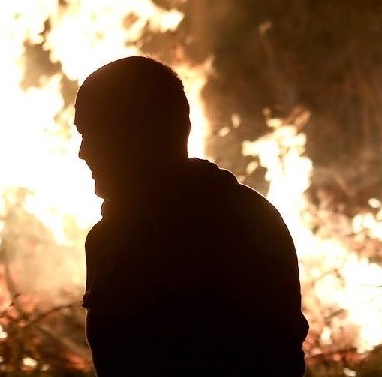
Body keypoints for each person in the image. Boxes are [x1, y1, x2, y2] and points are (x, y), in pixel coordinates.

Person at [74, 56, 309, 376]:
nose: (83, 152)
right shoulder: (108, 238)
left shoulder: (242, 229)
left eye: (96, 134)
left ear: (143, 135)